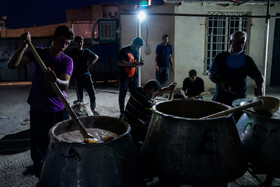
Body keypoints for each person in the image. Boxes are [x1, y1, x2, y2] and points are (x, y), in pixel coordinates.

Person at [8, 25, 74, 177]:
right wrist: (23, 46)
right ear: (52, 38)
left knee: (60, 144)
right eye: (61, 41)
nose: (63, 46)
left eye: (67, 44)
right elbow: (12, 65)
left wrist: (55, 80)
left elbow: (65, 85)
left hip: (59, 109)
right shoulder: (38, 53)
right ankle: (41, 174)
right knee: (39, 147)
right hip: (38, 108)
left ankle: (60, 173)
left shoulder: (67, 61)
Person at [209, 31, 264, 106]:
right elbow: (211, 75)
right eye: (238, 42)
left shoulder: (247, 60)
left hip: (239, 101)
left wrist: (260, 88)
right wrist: (221, 83)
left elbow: (258, 77)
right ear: (231, 42)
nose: (240, 46)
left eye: (243, 43)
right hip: (221, 99)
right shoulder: (220, 58)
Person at [123, 80, 177, 148]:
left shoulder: (137, 91)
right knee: (155, 130)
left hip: (125, 121)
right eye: (155, 92)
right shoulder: (147, 103)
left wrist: (168, 88)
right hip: (134, 128)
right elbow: (150, 121)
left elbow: (155, 93)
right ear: (152, 90)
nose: (156, 95)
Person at [67, 36, 99, 115]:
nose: (80, 44)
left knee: (92, 93)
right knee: (80, 96)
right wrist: (71, 66)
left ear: (83, 42)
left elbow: (96, 57)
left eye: (81, 42)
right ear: (75, 43)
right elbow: (65, 58)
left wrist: (91, 64)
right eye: (78, 42)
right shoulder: (72, 52)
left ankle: (92, 109)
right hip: (77, 77)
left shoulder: (86, 51)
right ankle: (81, 111)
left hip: (86, 75)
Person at [118, 37, 144, 118]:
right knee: (123, 94)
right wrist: (132, 64)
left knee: (135, 94)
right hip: (124, 76)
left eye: (140, 47)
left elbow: (136, 62)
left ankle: (132, 110)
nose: (139, 48)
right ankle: (122, 112)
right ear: (134, 44)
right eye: (138, 46)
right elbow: (120, 62)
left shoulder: (136, 52)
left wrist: (140, 63)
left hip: (133, 76)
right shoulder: (124, 50)